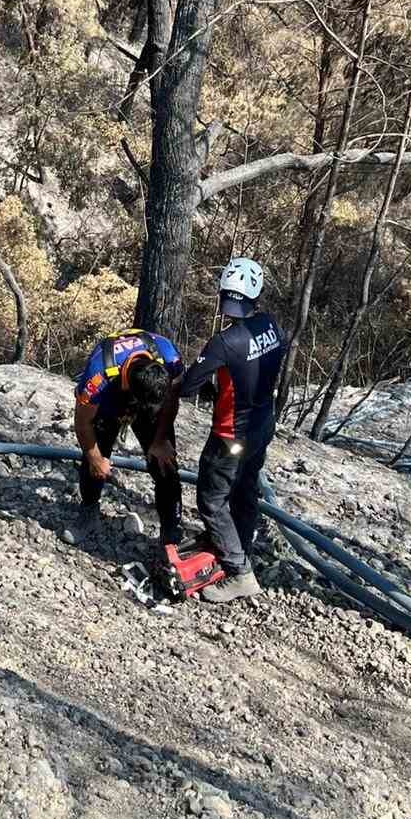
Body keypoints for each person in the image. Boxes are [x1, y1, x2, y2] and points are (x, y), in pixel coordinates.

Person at [153, 257, 285, 603]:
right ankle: (239, 548)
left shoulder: (225, 342)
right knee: (244, 490)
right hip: (262, 425)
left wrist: (182, 378)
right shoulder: (272, 327)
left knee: (211, 499)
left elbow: (188, 385)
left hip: (231, 435)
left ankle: (239, 572)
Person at [73, 329, 184, 543]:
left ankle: (171, 529)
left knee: (165, 463)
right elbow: (82, 422)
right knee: (94, 459)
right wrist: (96, 459)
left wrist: (160, 440)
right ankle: (88, 511)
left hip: (148, 398)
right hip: (109, 403)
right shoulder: (98, 377)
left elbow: (171, 400)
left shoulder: (169, 357)